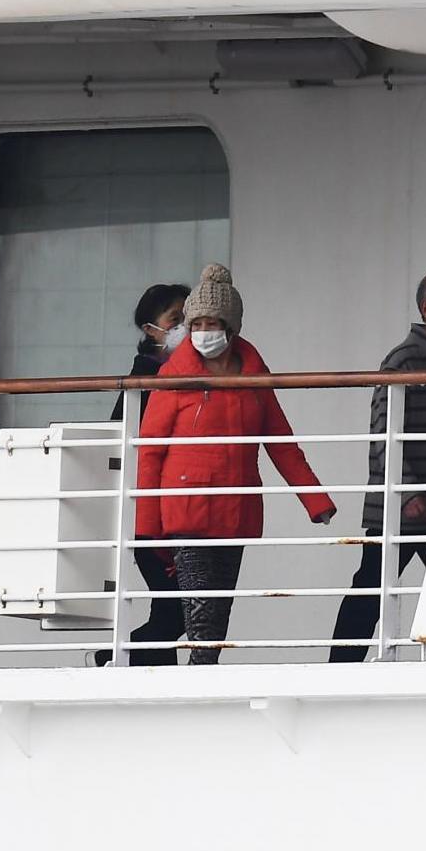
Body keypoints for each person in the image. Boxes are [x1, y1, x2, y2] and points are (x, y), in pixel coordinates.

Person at [135, 265, 336, 665]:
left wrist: (316, 500)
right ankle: (199, 698)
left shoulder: (255, 376)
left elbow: (281, 442)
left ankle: (201, 692)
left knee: (218, 617)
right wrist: (147, 528)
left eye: (213, 323)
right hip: (185, 511)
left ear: (232, 327)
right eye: (197, 323)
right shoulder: (172, 377)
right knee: (202, 621)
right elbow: (150, 452)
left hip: (235, 510)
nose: (204, 330)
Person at [330, 267, 426, 663]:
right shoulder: (404, 361)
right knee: (371, 589)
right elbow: (383, 431)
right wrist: (407, 490)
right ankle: (338, 667)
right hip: (399, 506)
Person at [105, 283, 189, 666]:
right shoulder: (144, 380)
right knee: (177, 609)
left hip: (172, 510)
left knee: (172, 609)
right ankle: (113, 659)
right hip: (147, 516)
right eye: (175, 319)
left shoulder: (180, 374)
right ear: (149, 329)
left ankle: (135, 667)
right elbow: (121, 436)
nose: (185, 327)